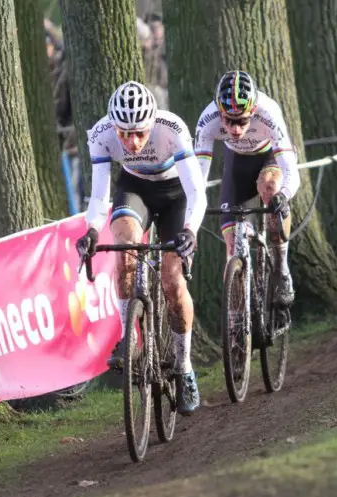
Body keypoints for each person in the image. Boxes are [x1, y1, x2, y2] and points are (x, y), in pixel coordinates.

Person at [75, 81, 206, 416]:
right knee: (124, 248)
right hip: (135, 191)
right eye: (124, 134)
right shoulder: (101, 134)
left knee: (173, 282)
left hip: (175, 195)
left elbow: (197, 191)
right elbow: (100, 195)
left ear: (152, 124)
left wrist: (190, 230)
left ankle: (185, 365)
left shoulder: (172, 128)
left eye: (139, 133)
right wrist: (91, 230)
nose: (131, 142)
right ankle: (128, 337)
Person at [193, 70, 300, 307]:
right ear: (220, 113)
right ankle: (236, 321)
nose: (235, 129)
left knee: (270, 189)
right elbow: (197, 178)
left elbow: (292, 171)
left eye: (242, 120)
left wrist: (283, 195)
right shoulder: (207, 119)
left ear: (252, 111)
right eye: (229, 121)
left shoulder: (269, 112)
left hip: (269, 156)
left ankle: (282, 269)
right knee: (232, 243)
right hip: (238, 163)